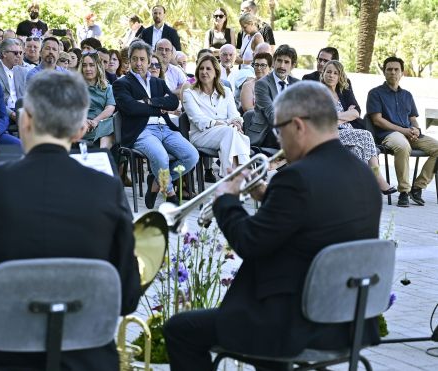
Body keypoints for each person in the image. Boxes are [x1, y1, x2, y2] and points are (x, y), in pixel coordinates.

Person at [0, 70, 139, 371]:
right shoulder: (108, 190)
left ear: (25, 121)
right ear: (78, 131)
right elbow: (127, 297)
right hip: (79, 354)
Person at [164, 81, 382, 370]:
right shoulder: (363, 173)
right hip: (348, 322)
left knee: (181, 329)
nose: (279, 140)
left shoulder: (296, 178)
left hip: (292, 325)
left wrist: (226, 201)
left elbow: (249, 243)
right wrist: (269, 196)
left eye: (279, 130)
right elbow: (317, 218)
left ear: (298, 126)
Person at [113, 40, 198, 208]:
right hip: (141, 131)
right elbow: (131, 108)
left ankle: (156, 182)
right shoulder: (121, 83)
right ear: (129, 60)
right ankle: (170, 193)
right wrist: (159, 107)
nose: (139, 64)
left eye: (142, 59)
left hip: (165, 128)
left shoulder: (158, 82)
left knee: (191, 156)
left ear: (149, 59)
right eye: (135, 59)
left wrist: (146, 101)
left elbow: (173, 102)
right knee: (161, 157)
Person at [367, 56, 438, 207]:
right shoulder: (375, 93)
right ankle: (404, 192)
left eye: (396, 69)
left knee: (437, 148)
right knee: (403, 146)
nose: (393, 72)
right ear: (384, 73)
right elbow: (377, 120)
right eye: (389, 69)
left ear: (402, 73)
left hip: (409, 133)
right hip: (388, 135)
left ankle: (418, 187)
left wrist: (416, 130)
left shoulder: (407, 95)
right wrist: (404, 131)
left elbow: (412, 118)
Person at [320, 60, 396, 194]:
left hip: (347, 134)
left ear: (340, 77)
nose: (331, 75)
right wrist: (345, 115)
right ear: (323, 73)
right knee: (365, 135)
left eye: (335, 73)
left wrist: (337, 117)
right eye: (328, 72)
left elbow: (355, 113)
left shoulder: (342, 92)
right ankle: (377, 177)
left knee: (356, 151)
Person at [183, 55, 249, 177]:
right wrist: (226, 123)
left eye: (208, 69)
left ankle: (233, 177)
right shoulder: (190, 93)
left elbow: (234, 114)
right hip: (201, 134)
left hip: (226, 133)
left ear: (216, 72)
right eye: (201, 68)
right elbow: (199, 120)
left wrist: (236, 122)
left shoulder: (226, 91)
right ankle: (242, 177)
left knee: (233, 133)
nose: (204, 72)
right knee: (233, 134)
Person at [249, 44, 299, 148]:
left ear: (292, 66)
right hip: (267, 133)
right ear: (273, 62)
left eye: (286, 62)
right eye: (279, 61)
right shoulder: (262, 84)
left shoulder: (297, 85)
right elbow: (272, 114)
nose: (282, 66)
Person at [0, 38, 27, 126]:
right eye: (15, 53)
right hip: (3, 113)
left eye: (20, 53)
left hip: (22, 111)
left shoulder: (23, 71)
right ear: (4, 53)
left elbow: (28, 96)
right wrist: (11, 114)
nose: (19, 56)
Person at [79, 51, 115, 148]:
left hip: (100, 124)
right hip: (80, 123)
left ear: (98, 67)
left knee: (111, 122)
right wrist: (83, 120)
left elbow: (110, 108)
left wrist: (96, 121)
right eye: (84, 65)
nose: (88, 69)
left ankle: (102, 152)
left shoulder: (107, 87)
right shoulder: (75, 87)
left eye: (91, 65)